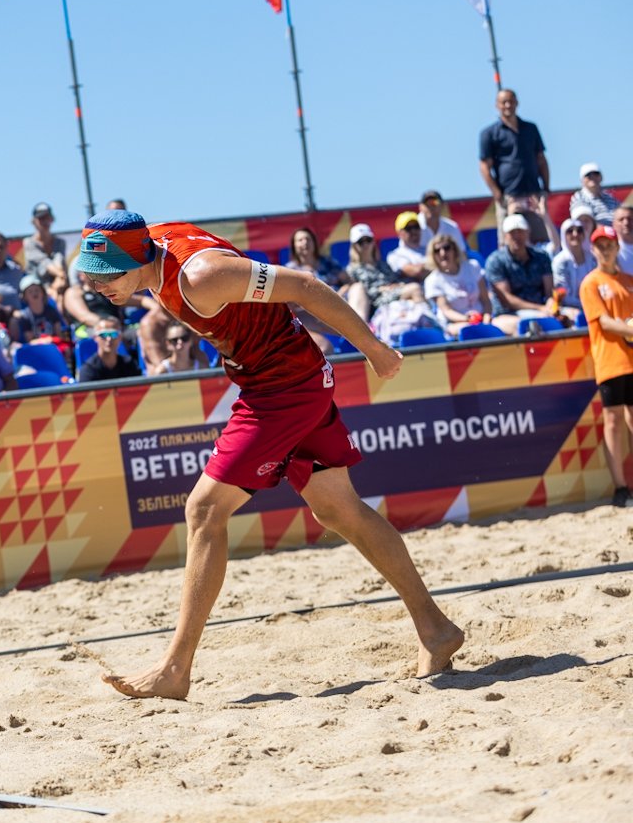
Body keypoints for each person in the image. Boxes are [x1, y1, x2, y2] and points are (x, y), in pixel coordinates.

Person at [71, 210, 461, 700]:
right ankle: (435, 628)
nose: (97, 286)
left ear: (137, 257)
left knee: (204, 510)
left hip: (282, 389)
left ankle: (174, 669)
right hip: (283, 380)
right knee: (339, 508)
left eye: (106, 275)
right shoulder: (153, 250)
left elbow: (306, 286)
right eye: (91, 275)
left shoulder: (200, 276)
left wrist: (373, 348)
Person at [579, 225, 633, 507]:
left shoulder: (628, 280)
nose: (605, 249)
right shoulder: (590, 283)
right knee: (613, 422)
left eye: (609, 244)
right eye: (600, 245)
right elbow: (604, 323)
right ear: (593, 249)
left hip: (631, 359)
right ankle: (620, 488)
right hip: (610, 360)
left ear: (617, 247)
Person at [478, 89, 549, 243]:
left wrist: (545, 188)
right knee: (509, 243)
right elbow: (484, 166)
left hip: (533, 194)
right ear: (497, 105)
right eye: (503, 102)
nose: (508, 105)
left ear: (517, 103)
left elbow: (541, 159)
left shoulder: (530, 129)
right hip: (509, 196)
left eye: (511, 101)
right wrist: (497, 194)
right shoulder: (489, 134)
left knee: (540, 241)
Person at [484, 214, 555, 334]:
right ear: (505, 236)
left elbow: (549, 291)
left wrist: (551, 303)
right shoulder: (495, 261)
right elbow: (507, 299)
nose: (517, 236)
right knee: (528, 326)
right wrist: (540, 308)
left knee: (571, 316)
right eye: (512, 233)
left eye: (520, 232)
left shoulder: (541, 257)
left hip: (542, 311)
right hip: (508, 315)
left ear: (527, 233)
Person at [422, 234, 502, 338]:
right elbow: (447, 311)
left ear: (454, 250)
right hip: (455, 324)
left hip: (484, 318)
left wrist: (486, 319)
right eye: (437, 250)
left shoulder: (473, 266)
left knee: (512, 325)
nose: (443, 253)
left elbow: (486, 300)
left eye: (446, 248)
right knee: (471, 331)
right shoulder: (432, 280)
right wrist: (468, 319)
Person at [344, 224, 423, 321]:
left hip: (393, 294)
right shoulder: (352, 270)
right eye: (361, 242)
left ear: (373, 242)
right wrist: (383, 289)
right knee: (415, 289)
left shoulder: (383, 264)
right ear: (354, 246)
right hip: (376, 302)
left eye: (368, 240)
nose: (365, 244)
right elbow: (357, 294)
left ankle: (423, 323)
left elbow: (395, 280)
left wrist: (396, 286)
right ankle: (428, 321)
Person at [20, 203, 69, 299]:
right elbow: (46, 264)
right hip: (36, 287)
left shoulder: (60, 242)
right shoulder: (29, 243)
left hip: (58, 283)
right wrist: (61, 276)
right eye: (41, 219)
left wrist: (59, 280)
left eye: (47, 218)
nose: (45, 222)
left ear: (52, 219)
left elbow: (59, 262)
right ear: (34, 222)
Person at [8, 276, 69, 351]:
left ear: (43, 292)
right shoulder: (25, 316)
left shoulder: (51, 311)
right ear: (24, 297)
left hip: (53, 346)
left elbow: (58, 333)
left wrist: (53, 340)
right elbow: (30, 341)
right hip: (37, 349)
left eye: (37, 290)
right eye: (30, 292)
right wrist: (44, 340)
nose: (34, 293)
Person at [78, 316, 142, 382]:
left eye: (113, 334)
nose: (109, 339)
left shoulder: (130, 365)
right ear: (95, 338)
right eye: (103, 335)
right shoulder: (88, 370)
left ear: (120, 337)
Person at [552, 219, 596, 311]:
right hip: (569, 308)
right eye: (570, 231)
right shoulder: (560, 261)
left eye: (579, 230)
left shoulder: (593, 258)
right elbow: (563, 294)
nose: (575, 234)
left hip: (593, 305)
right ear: (564, 235)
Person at [385, 212, 430, 282]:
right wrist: (437, 264)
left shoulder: (430, 249)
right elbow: (417, 272)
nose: (413, 231)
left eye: (416, 226)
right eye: (408, 228)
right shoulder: (395, 255)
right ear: (399, 233)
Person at [614, 206, 633, 275]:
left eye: (630, 219)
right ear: (614, 224)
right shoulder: (611, 250)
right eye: (621, 219)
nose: (626, 223)